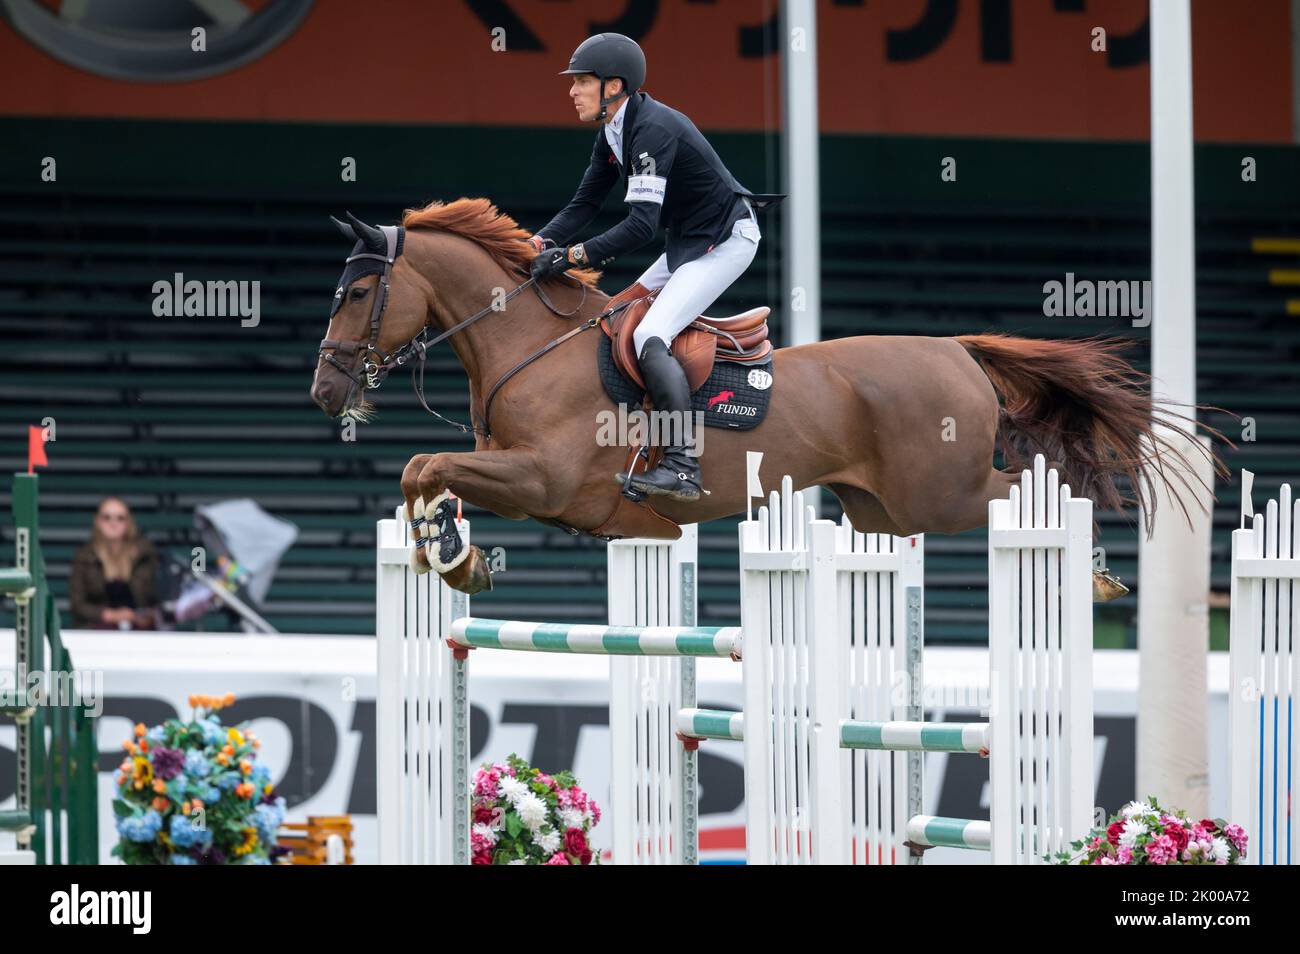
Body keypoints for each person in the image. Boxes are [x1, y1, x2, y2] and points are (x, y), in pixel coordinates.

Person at [529, 32, 783, 502]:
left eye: (582, 81)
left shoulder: (651, 130)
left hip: (726, 240)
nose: (571, 91)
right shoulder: (613, 131)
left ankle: (683, 465)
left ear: (614, 86)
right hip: (691, 241)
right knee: (617, 316)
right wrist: (537, 243)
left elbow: (641, 226)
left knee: (651, 335)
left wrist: (571, 257)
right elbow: (585, 203)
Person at [68, 496, 159, 630]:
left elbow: (154, 599)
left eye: (120, 518)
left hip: (139, 630)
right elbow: (77, 605)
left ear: (129, 523)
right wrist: (109, 615)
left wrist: (141, 615)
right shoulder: (84, 557)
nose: (113, 523)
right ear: (97, 521)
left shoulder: (144, 555)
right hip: (95, 630)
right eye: (107, 517)